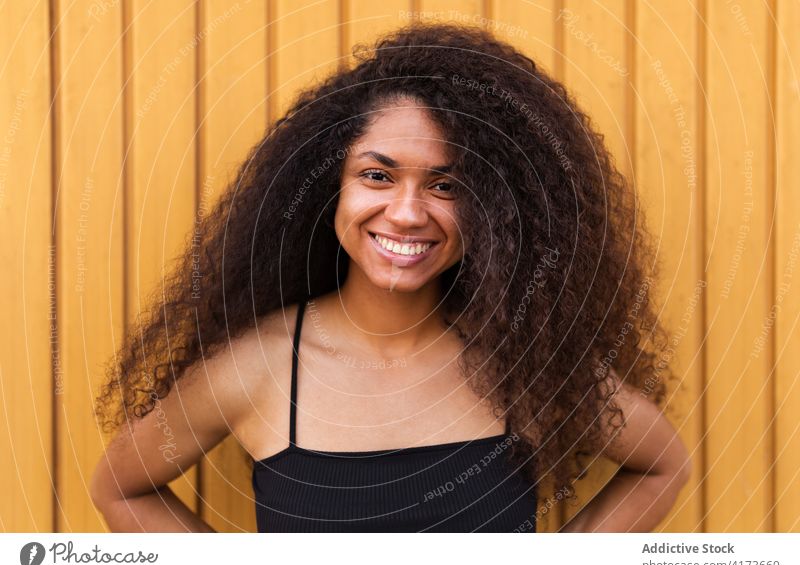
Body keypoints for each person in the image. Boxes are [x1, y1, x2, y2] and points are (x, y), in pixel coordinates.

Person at [90, 21, 691, 533]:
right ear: (333, 188)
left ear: (496, 212)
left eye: (446, 185)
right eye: (377, 176)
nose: (406, 213)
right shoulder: (256, 367)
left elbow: (662, 463)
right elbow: (120, 488)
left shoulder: (525, 361)